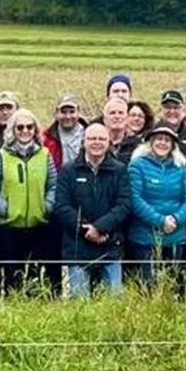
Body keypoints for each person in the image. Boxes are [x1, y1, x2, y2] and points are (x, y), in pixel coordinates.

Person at [48, 123, 130, 298]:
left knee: (114, 303)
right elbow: (61, 206)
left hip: (110, 245)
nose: (97, 142)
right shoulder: (68, 170)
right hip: (77, 247)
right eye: (92, 138)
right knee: (79, 304)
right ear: (83, 142)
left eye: (101, 139)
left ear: (108, 143)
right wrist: (86, 229)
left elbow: (123, 205)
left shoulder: (119, 170)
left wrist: (100, 228)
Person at [0, 109, 59, 293]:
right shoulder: (1, 156)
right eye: (20, 127)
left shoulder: (45, 155)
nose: (25, 131)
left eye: (29, 127)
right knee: (13, 279)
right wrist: (6, 209)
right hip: (9, 229)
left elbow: (53, 186)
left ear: (35, 130)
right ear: (13, 130)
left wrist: (46, 207)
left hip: (38, 226)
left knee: (35, 279)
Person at [124, 126, 186, 294]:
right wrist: (161, 221)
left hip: (175, 237)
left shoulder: (180, 167)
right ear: (151, 142)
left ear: (173, 145)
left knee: (173, 288)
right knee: (147, 288)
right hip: (145, 238)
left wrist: (176, 219)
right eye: (159, 139)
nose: (163, 143)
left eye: (167, 140)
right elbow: (135, 199)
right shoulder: (137, 165)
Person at [42, 94, 87, 171]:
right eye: (63, 112)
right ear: (56, 113)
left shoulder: (90, 134)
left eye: (72, 112)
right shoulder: (46, 138)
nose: (68, 116)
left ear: (78, 112)